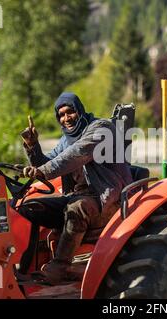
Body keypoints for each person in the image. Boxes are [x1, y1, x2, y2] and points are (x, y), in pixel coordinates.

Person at [19, 92, 132, 284]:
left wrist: (43, 171)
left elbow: (76, 154)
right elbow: (49, 162)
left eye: (70, 112)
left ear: (80, 110)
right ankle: (23, 265)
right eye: (61, 115)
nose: (66, 118)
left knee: (77, 208)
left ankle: (59, 268)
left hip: (108, 200)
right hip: (80, 196)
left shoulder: (102, 129)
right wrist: (33, 146)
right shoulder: (66, 140)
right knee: (31, 207)